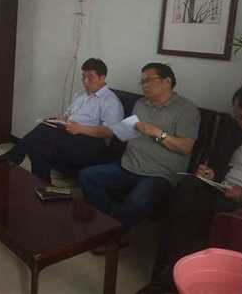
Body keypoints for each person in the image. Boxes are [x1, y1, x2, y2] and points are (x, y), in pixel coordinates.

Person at [138, 82, 242, 294]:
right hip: (220, 187)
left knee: (195, 213)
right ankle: (171, 271)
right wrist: (210, 173)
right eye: (238, 116)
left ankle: (175, 275)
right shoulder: (233, 130)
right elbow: (218, 161)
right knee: (188, 189)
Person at [78, 63, 200, 234]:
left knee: (136, 202)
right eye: (142, 82)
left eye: (148, 81)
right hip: (128, 165)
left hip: (159, 175)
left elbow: (185, 147)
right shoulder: (141, 104)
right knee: (87, 176)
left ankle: (109, 233)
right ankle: (108, 225)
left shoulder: (186, 109)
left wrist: (157, 132)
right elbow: (129, 132)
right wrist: (120, 130)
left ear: (167, 81)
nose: (144, 86)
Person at [0, 58, 124, 182]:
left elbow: (110, 132)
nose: (85, 81)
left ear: (102, 78)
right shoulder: (80, 95)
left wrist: (80, 129)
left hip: (92, 146)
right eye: (83, 76)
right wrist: (59, 119)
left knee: (42, 130)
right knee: (38, 145)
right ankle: (42, 185)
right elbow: (69, 117)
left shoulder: (110, 100)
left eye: (90, 77)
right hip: (72, 136)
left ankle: (7, 160)